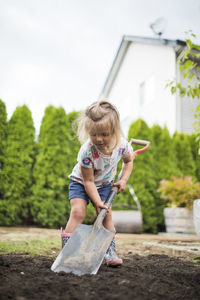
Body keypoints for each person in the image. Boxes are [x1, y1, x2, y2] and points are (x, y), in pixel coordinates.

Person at [61, 100, 134, 267]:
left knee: (106, 215)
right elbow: (88, 181)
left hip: (105, 185)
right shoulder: (87, 152)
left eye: (104, 134)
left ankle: (109, 251)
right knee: (78, 212)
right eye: (93, 134)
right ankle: (68, 252)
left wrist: (123, 180)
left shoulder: (122, 146)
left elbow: (128, 162)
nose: (98, 139)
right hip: (81, 183)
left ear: (115, 131)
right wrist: (97, 202)